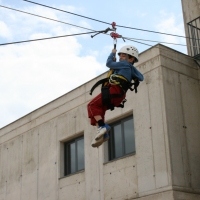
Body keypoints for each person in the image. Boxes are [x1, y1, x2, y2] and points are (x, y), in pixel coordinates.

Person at [87, 45, 144, 148]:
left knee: (91, 105)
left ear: (130, 59)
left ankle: (102, 127)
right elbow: (141, 77)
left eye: (123, 56)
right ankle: (103, 133)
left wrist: (112, 53)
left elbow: (108, 63)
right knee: (99, 110)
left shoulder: (125, 64)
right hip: (119, 97)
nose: (120, 58)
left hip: (114, 91)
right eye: (120, 56)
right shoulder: (130, 69)